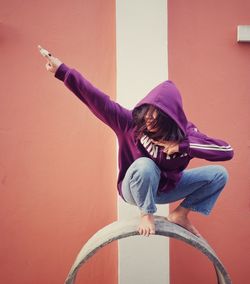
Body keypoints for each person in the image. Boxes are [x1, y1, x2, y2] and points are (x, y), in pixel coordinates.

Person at [38, 45, 234, 238]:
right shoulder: (129, 123)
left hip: (166, 189)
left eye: (155, 119)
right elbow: (97, 99)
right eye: (146, 117)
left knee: (218, 174)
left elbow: (226, 150)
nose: (148, 123)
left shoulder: (186, 134)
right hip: (133, 187)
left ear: (169, 119)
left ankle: (180, 215)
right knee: (145, 165)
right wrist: (63, 71)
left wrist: (183, 146)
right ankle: (146, 213)